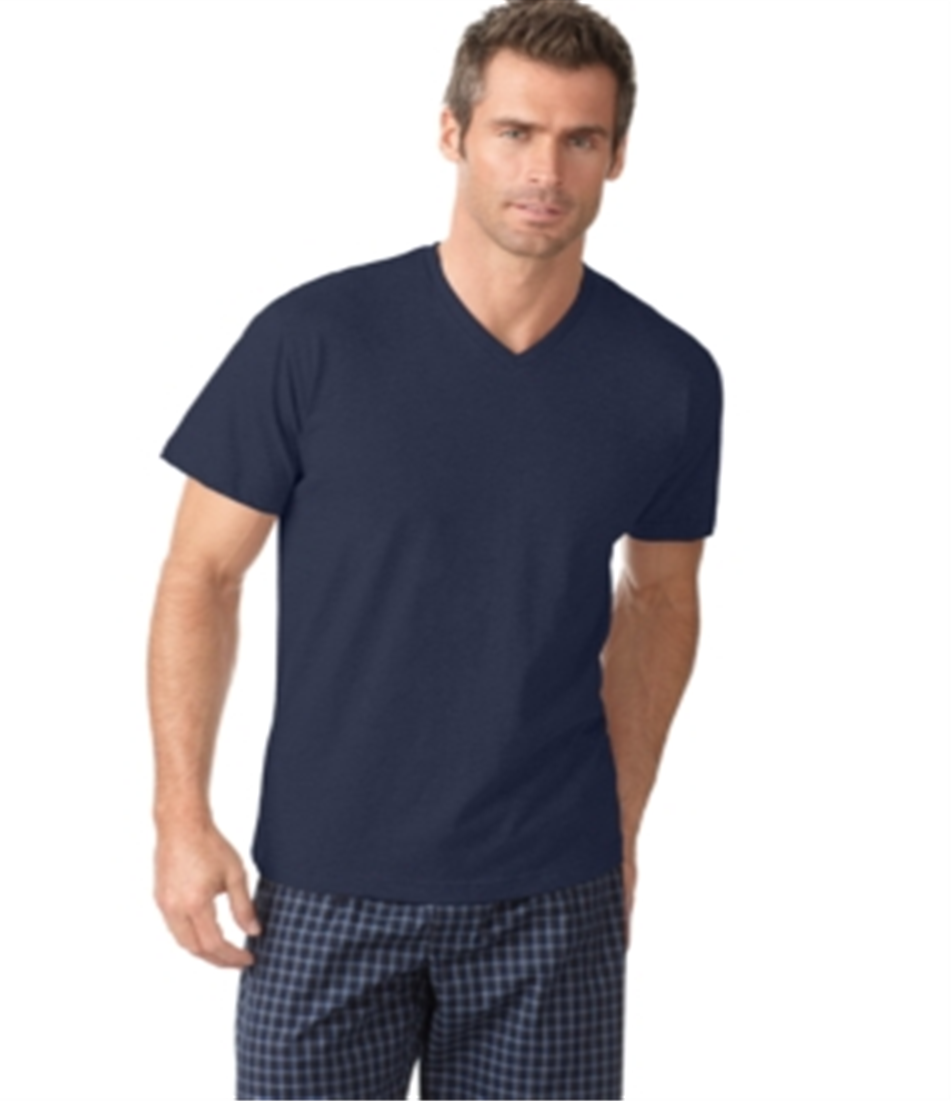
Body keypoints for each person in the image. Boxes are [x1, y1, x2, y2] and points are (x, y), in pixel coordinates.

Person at [147, 0, 723, 1096]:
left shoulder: (668, 377)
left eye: (580, 138)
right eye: (515, 131)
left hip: (551, 897)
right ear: (453, 133)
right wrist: (182, 814)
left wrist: (620, 824)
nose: (545, 169)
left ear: (617, 155)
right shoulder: (313, 340)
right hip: (321, 886)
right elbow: (201, 574)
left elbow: (662, 600)